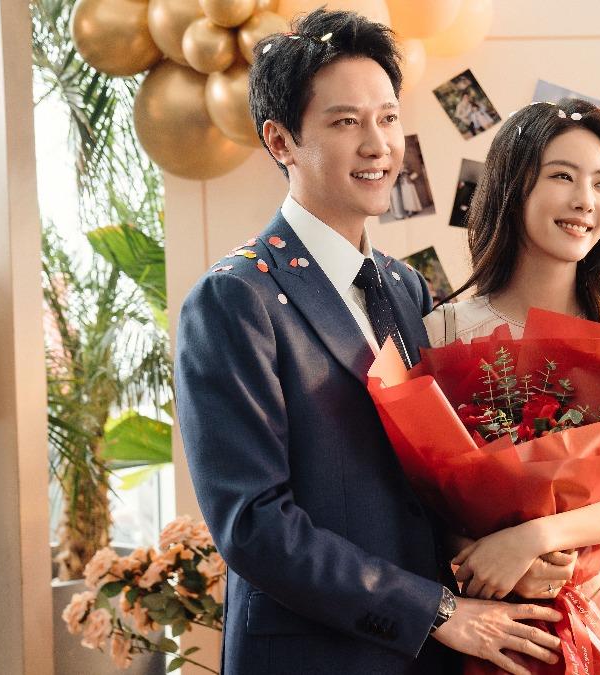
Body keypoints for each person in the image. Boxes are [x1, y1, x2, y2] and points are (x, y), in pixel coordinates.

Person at [174, 10, 572, 674]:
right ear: (280, 140)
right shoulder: (235, 300)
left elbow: (433, 477)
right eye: (345, 122)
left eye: (388, 118)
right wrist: (436, 611)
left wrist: (511, 547)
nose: (378, 145)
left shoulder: (403, 285)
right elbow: (254, 525)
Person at [424, 98, 600, 675]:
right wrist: (484, 557)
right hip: (497, 617)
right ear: (513, 187)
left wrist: (534, 539)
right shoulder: (444, 331)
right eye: (562, 177)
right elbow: (423, 502)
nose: (585, 201)